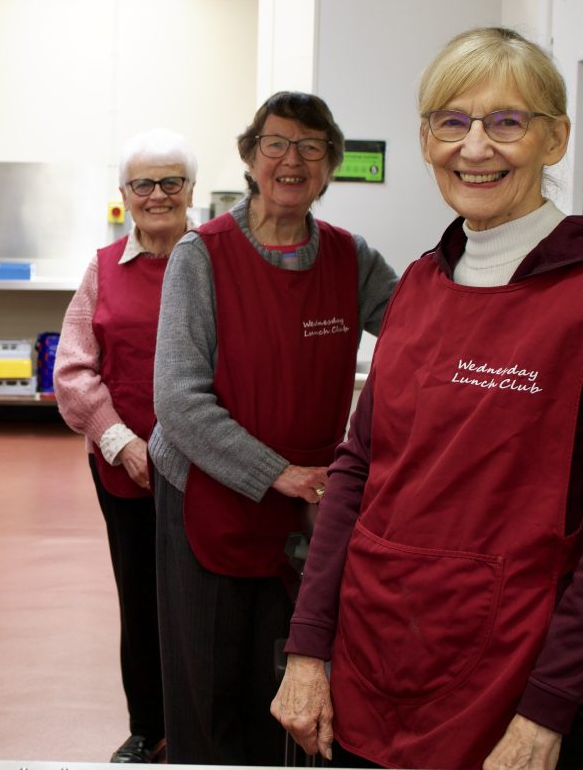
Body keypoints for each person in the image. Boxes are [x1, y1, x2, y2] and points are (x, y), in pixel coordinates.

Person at [273, 27, 583, 770]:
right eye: (452, 122)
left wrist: (545, 708)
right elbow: (358, 470)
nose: (476, 147)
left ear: (555, 139)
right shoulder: (424, 281)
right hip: (371, 650)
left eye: (507, 122)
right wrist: (307, 651)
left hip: (504, 680)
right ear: (426, 140)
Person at [149, 91, 397, 766]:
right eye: (277, 144)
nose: (293, 160)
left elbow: (420, 336)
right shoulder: (203, 255)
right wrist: (278, 474)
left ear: (330, 166)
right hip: (209, 496)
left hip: (312, 507)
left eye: (312, 147)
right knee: (213, 687)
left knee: (299, 677)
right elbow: (178, 399)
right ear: (251, 157)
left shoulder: (353, 259)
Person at [54, 128, 196, 764]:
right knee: (140, 601)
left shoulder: (219, 262)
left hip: (209, 471)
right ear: (125, 194)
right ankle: (150, 727)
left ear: (191, 189)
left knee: (204, 600)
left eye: (171, 182)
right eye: (145, 184)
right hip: (126, 471)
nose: (157, 195)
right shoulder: (103, 269)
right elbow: (75, 369)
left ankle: (201, 726)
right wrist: (122, 442)